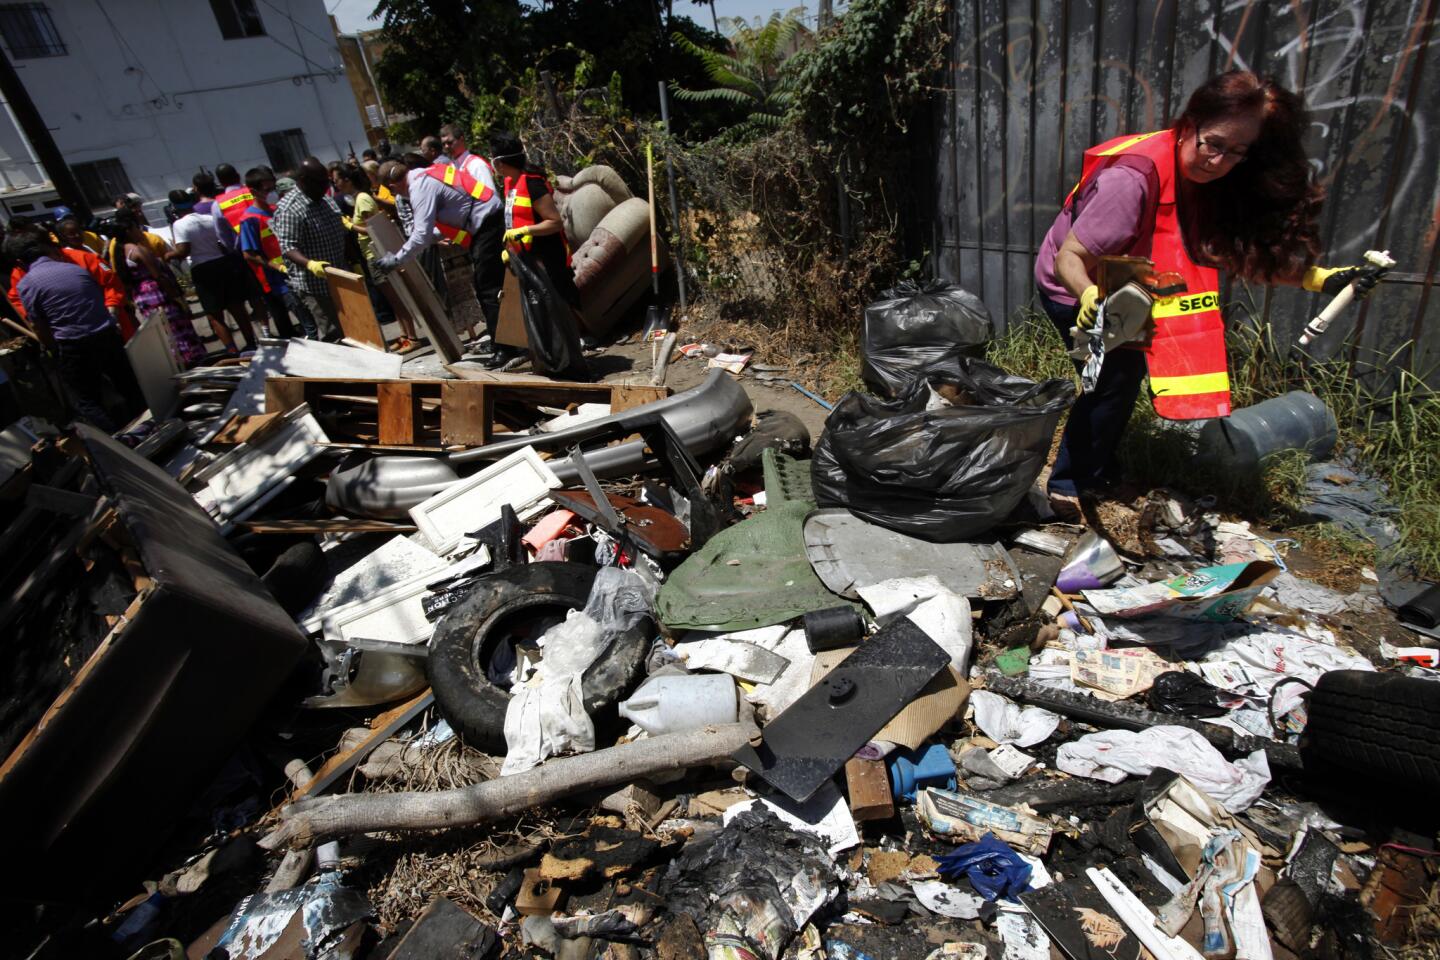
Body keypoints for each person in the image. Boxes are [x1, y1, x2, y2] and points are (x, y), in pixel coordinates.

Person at [1032, 70, 1389, 517]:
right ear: (1189, 123)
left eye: (1237, 152)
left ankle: (1095, 462)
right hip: (1076, 285)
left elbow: (1234, 253)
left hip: (1128, 278)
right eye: (1214, 144)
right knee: (1111, 382)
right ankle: (1071, 484)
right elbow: (1070, 258)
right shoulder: (1133, 180)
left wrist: (1318, 278)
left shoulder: (1210, 181)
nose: (1218, 162)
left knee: (1120, 381)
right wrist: (1089, 299)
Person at [6, 222, 146, 430]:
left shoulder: (82, 259)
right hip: (99, 334)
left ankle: (126, 435)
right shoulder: (26, 275)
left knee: (92, 398)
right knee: (121, 387)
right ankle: (138, 426)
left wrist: (112, 307)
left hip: (89, 336)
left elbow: (111, 282)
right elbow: (19, 302)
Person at [373, 154, 499, 344]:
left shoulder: (419, 188)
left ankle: (507, 346)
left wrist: (396, 259)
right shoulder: (426, 174)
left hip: (487, 224)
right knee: (486, 288)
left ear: (392, 187)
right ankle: (503, 342)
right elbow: (438, 226)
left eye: (393, 194)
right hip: (489, 219)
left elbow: (421, 234)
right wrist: (431, 238)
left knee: (487, 289)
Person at [110, 214, 209, 366]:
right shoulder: (138, 250)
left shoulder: (120, 252)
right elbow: (159, 276)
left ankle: (178, 364)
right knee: (178, 330)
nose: (140, 231)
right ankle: (193, 361)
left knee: (166, 334)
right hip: (159, 296)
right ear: (129, 231)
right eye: (137, 228)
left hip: (143, 298)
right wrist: (177, 297)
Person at [167, 188, 257, 355]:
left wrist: (168, 255)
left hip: (203, 269)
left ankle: (231, 350)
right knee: (237, 307)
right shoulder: (209, 219)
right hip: (223, 264)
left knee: (214, 315)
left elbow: (183, 251)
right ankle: (251, 343)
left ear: (174, 207)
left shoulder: (179, 224)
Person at [339, 163, 416, 347]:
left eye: (338, 180)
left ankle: (412, 336)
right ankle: (404, 334)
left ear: (348, 180)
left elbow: (372, 229)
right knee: (391, 298)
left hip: (376, 253)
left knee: (395, 297)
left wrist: (349, 225)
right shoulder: (359, 199)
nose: (336, 185)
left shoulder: (363, 199)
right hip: (371, 254)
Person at [272, 157, 349, 341]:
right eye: (321, 183)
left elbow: (338, 228)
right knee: (334, 334)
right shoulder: (289, 209)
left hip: (341, 276)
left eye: (327, 182)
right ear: (304, 181)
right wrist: (310, 264)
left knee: (354, 328)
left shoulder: (324, 199)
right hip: (316, 285)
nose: (325, 187)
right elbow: (288, 247)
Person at [236, 166, 303, 338]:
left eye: (273, 188)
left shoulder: (276, 210)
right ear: (253, 191)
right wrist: (276, 267)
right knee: (291, 323)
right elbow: (248, 254)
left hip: (293, 272)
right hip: (274, 281)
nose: (271, 193)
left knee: (305, 318)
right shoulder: (250, 219)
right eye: (267, 190)